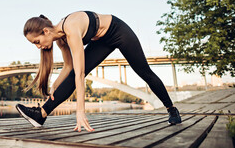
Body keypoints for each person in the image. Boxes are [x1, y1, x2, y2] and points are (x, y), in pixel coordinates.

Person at [16, 11, 182, 132]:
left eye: (37, 42)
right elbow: (69, 67)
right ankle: (41, 114)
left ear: (45, 31)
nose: (38, 46)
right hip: (102, 40)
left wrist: (80, 111)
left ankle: (171, 109)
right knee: (73, 74)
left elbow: (80, 74)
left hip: (118, 31)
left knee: (144, 72)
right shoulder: (61, 40)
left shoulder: (71, 29)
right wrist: (56, 84)